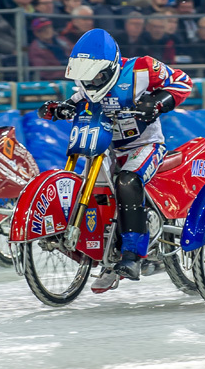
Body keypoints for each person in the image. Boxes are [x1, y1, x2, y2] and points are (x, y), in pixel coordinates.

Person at [37, 28, 192, 289]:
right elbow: (79, 100)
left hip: (145, 145)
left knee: (127, 181)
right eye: (85, 77)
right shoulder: (87, 85)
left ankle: (132, 254)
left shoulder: (142, 68)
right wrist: (58, 108)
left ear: (109, 68)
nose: (91, 82)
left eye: (96, 76)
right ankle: (104, 247)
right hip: (106, 147)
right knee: (91, 184)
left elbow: (183, 81)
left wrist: (156, 101)